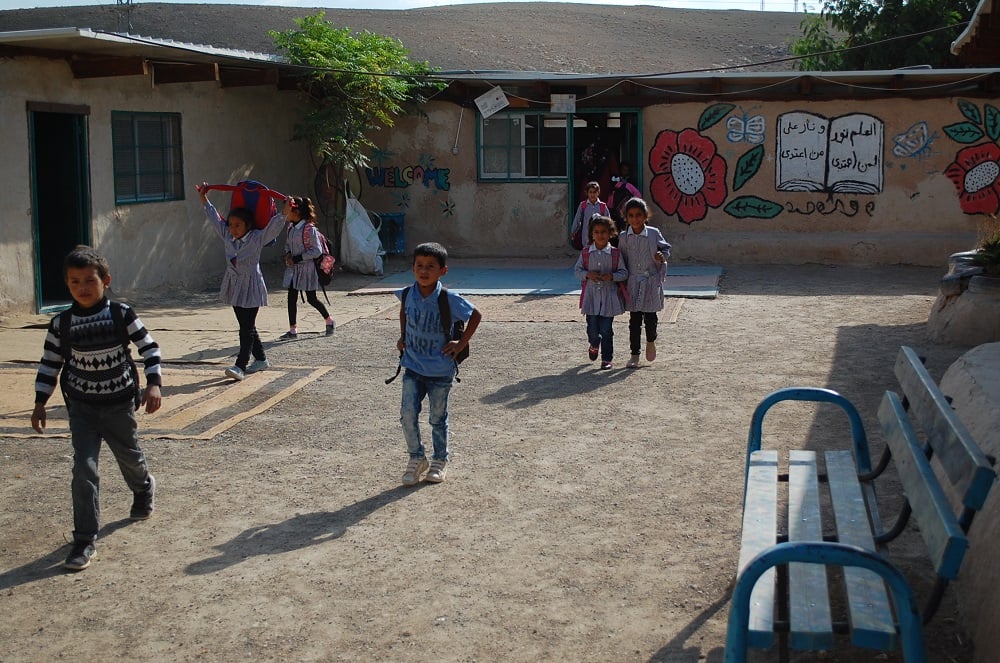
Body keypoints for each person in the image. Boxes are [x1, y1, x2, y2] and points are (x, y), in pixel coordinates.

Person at [30, 245, 162, 571]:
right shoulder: (62, 323)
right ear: (67, 285)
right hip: (82, 409)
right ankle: (85, 539)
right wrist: (39, 403)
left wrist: (154, 384)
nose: (82, 288)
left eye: (89, 281)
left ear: (105, 280)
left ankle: (143, 487)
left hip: (118, 405)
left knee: (129, 456)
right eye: (75, 282)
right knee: (84, 469)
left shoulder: (121, 314)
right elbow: (50, 364)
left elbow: (149, 348)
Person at [395, 242, 482, 485]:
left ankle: (439, 460)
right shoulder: (406, 293)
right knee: (407, 414)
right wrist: (403, 337)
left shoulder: (448, 299)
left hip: (440, 371)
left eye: (430, 267)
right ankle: (416, 458)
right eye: (419, 266)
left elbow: (476, 315)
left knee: (437, 418)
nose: (424, 271)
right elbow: (403, 310)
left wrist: (460, 343)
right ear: (412, 268)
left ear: (443, 271)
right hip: (412, 366)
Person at [197, 182, 290, 381]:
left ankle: (240, 365)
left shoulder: (257, 238)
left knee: (246, 327)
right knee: (246, 325)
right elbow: (214, 218)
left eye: (237, 225)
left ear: (248, 225)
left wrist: (284, 212)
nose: (233, 229)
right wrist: (204, 198)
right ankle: (262, 359)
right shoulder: (227, 236)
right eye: (231, 225)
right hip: (234, 285)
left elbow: (273, 228)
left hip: (252, 286)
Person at [617, 197, 671, 369]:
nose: (635, 219)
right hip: (633, 282)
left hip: (650, 281)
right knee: (634, 320)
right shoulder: (624, 237)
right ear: (626, 217)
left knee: (650, 317)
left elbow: (665, 249)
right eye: (631, 215)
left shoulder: (654, 233)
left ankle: (651, 341)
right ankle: (634, 354)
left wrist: (661, 256)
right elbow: (622, 259)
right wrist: (621, 280)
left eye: (639, 215)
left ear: (645, 216)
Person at [573, 215, 628, 369]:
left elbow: (624, 273)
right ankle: (593, 344)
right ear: (592, 234)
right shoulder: (585, 253)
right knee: (592, 329)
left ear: (610, 233)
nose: (600, 235)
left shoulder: (615, 254)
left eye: (603, 232)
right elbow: (577, 271)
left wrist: (612, 276)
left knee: (606, 329)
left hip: (609, 297)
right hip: (591, 298)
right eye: (596, 232)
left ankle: (607, 359)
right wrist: (587, 274)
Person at [280, 195, 336, 339]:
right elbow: (287, 245)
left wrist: (298, 258)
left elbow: (316, 250)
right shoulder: (291, 228)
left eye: (288, 210)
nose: (285, 212)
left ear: (297, 212)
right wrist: (288, 255)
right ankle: (293, 330)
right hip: (294, 269)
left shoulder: (309, 229)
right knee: (291, 297)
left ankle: (329, 321)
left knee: (312, 298)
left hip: (307, 269)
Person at [569, 181, 609, 250]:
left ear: (598, 193)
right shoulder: (583, 205)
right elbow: (577, 219)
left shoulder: (603, 206)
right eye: (590, 192)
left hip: (600, 236)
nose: (592, 194)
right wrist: (573, 231)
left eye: (594, 192)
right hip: (586, 237)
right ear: (587, 193)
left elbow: (608, 221)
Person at [607, 161, 642, 237]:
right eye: (623, 170)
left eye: (626, 170)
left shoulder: (628, 185)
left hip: (626, 212)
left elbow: (638, 196)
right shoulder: (620, 187)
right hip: (618, 213)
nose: (625, 172)